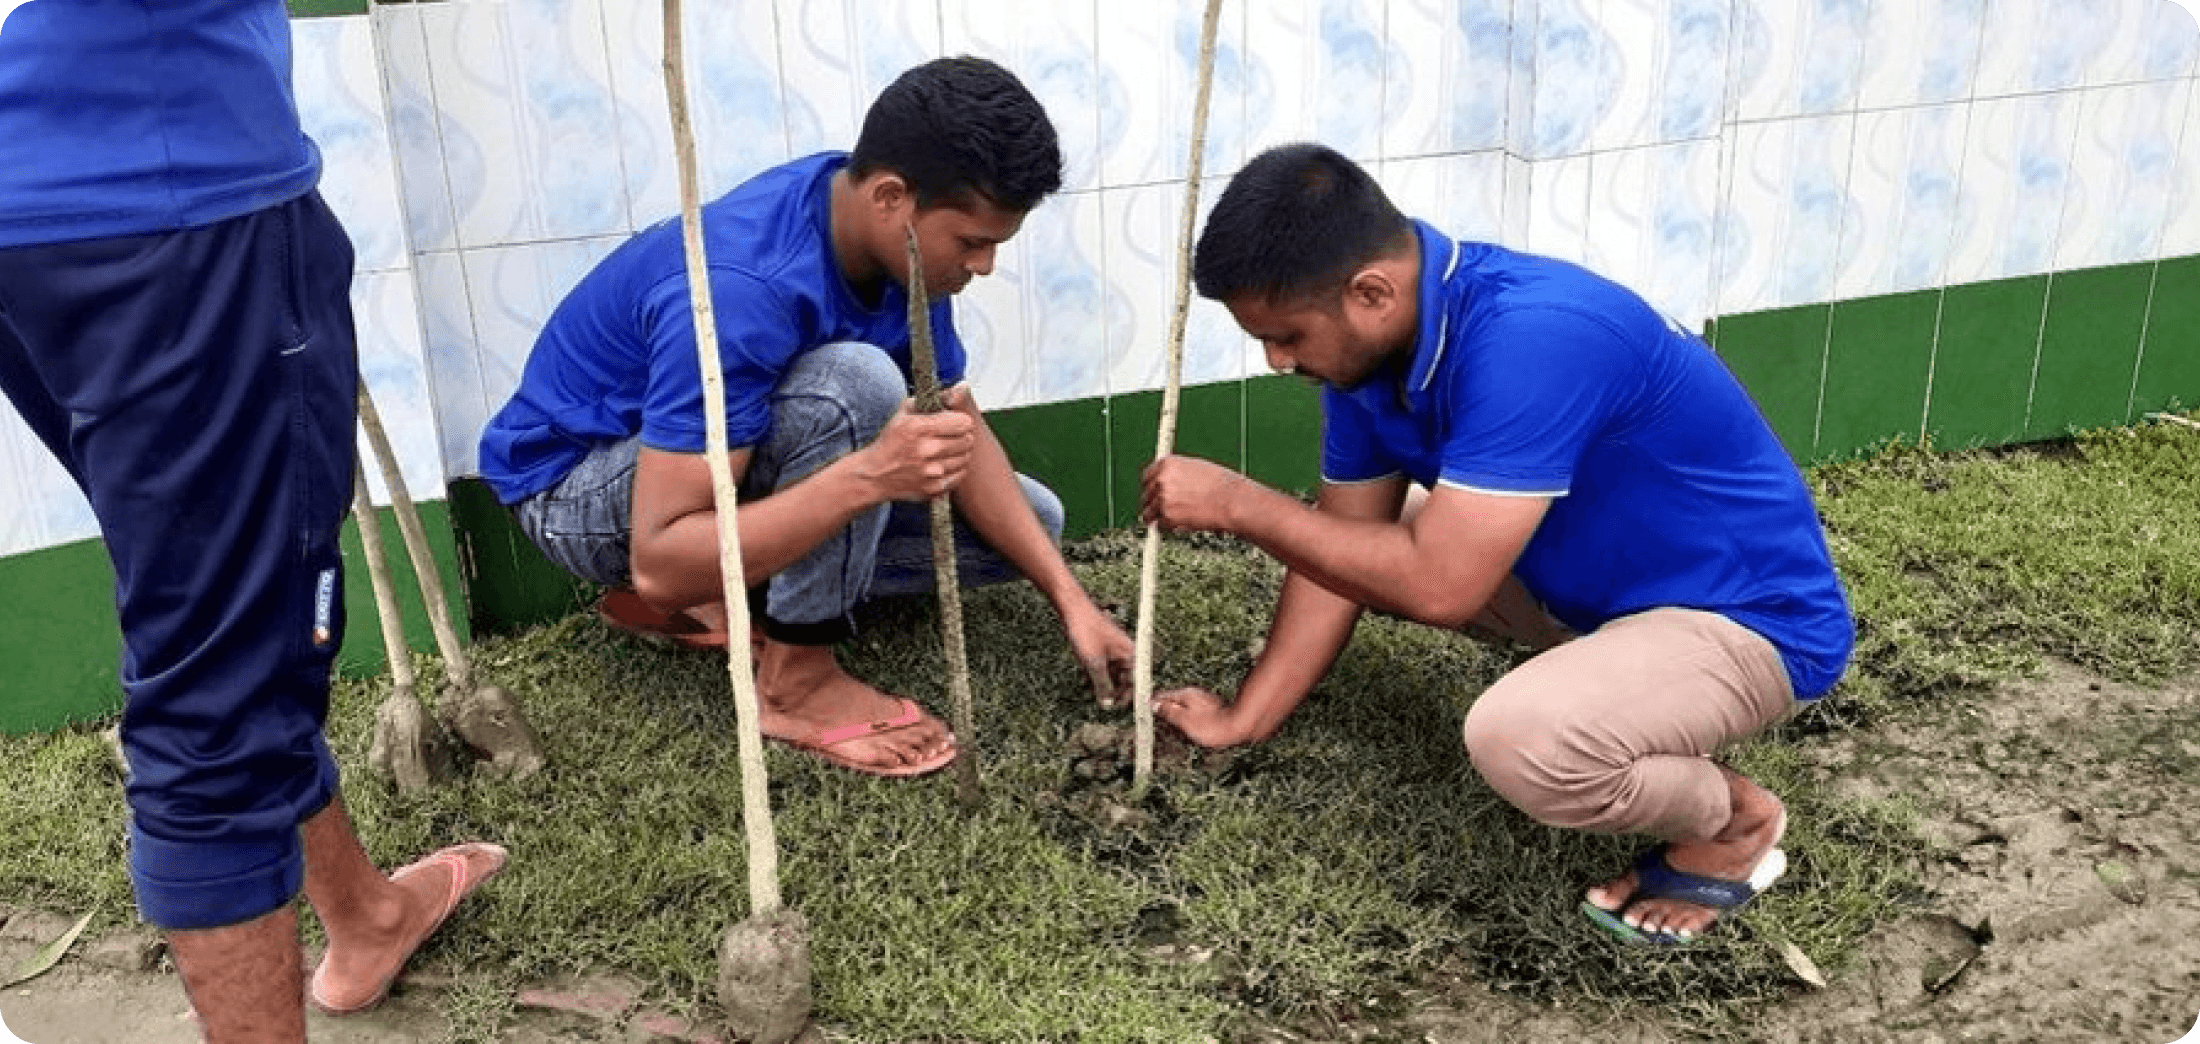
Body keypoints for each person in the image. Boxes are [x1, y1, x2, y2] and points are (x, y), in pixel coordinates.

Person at [1139, 143, 1854, 945]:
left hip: (1748, 620)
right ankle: (1608, 680)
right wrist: (1246, 720)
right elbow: (1341, 545)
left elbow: (1438, 587)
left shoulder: (1535, 336)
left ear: (1371, 292)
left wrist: (1240, 504)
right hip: (1594, 598)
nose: (1277, 361)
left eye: (1286, 335)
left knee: (1520, 738)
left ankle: (1734, 824)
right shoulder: (1369, 358)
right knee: (1370, 538)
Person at [0, 1, 506, 1038]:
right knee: (218, 696)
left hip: (44, 202)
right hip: (161, 197)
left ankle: (363, 915)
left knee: (241, 614)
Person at [478, 56, 1134, 778]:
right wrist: (869, 477)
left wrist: (1072, 601)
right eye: (973, 242)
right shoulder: (747, 287)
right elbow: (660, 561)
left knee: (1029, 524)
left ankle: (725, 600)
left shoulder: (886, 235)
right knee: (851, 384)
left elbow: (953, 418)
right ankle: (797, 682)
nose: (983, 267)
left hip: (710, 477)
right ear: (891, 196)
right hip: (577, 495)